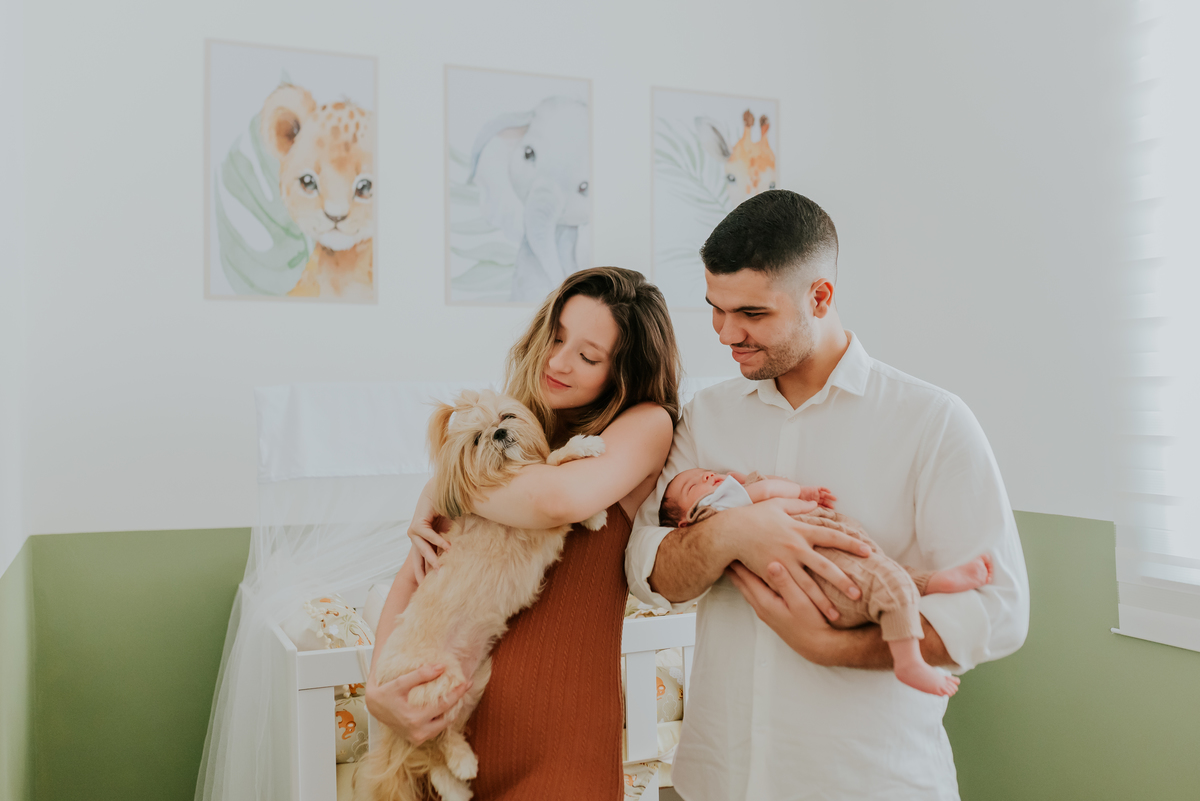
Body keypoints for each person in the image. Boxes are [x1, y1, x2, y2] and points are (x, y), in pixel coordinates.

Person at [626, 190, 1030, 800]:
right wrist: (736, 531)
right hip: (715, 782)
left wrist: (835, 648)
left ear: (820, 297)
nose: (725, 333)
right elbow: (649, 573)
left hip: (868, 783)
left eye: (752, 315)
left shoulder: (932, 422)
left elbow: (997, 611)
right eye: (715, 308)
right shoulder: (706, 417)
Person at [365, 267, 715, 797]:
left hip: (561, 739)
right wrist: (377, 692)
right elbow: (417, 575)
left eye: (588, 356)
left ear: (624, 372)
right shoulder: (507, 426)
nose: (557, 361)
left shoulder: (644, 424)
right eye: (556, 337)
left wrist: (446, 483)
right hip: (448, 727)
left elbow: (559, 501)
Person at [660, 470, 994, 696]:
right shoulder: (715, 510)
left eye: (703, 472)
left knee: (883, 571)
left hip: (828, 555)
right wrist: (802, 493)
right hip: (821, 574)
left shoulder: (726, 502)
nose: (705, 476)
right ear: (685, 520)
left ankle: (934, 581)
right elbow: (767, 489)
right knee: (888, 582)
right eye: (693, 486)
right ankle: (908, 660)